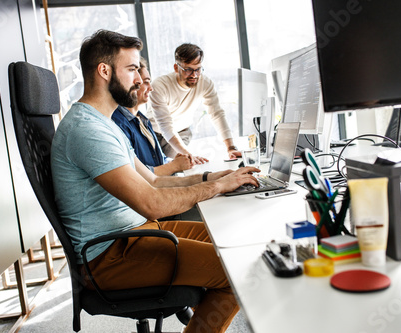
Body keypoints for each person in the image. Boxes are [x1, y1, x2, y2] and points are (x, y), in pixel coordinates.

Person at [51, 30, 259, 333]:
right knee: (239, 271)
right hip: (110, 256)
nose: (140, 78)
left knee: (234, 245)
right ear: (104, 71)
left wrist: (211, 176)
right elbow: (152, 203)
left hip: (135, 234)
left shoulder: (105, 124)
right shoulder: (87, 131)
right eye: (132, 69)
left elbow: (153, 181)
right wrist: (215, 188)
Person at [147, 43, 241, 164]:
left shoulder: (205, 83)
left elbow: (216, 114)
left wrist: (231, 147)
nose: (194, 75)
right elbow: (165, 126)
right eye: (188, 70)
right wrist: (189, 154)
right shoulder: (160, 86)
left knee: (173, 168)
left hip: (181, 131)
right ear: (176, 68)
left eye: (198, 69)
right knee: (153, 170)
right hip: (152, 132)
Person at [112, 57, 193, 176]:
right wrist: (175, 166)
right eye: (145, 82)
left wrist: (177, 161)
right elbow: (135, 175)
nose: (151, 88)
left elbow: (160, 160)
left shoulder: (144, 121)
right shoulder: (119, 124)